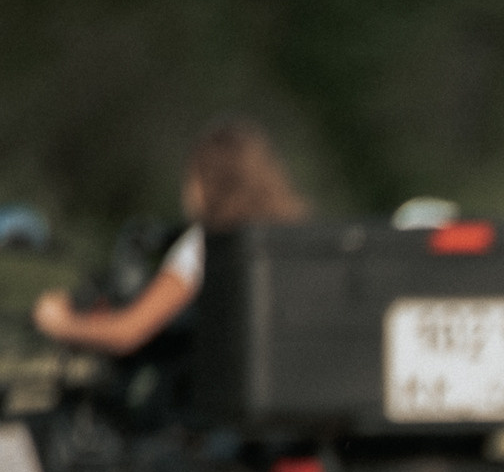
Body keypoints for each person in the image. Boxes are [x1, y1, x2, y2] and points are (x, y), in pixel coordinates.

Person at [32, 117, 308, 355]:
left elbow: (127, 332)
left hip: (222, 405)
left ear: (206, 182)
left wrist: (60, 323)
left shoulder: (208, 245)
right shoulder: (299, 241)